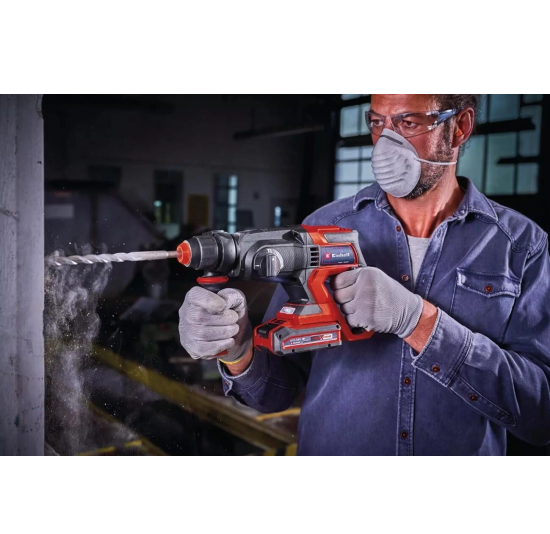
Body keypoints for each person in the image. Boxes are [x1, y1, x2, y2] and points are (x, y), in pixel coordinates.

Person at [179, 94, 550, 455]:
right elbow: (275, 392)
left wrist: (418, 322)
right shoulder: (323, 227)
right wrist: (239, 350)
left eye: (408, 122)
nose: (386, 143)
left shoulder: (521, 246)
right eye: (377, 123)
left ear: (460, 127)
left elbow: (541, 413)